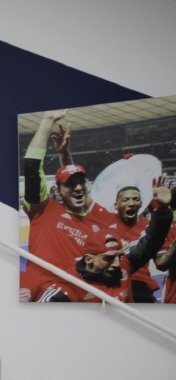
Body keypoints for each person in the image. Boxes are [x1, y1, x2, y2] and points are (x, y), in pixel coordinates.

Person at [20, 111, 114, 301]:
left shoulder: (98, 218)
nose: (78, 187)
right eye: (71, 184)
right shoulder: (43, 209)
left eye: (82, 182)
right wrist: (47, 122)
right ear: (58, 190)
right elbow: (31, 168)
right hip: (32, 289)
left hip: (73, 294)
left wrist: (64, 153)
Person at [33, 179, 172, 302]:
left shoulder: (125, 264)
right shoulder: (68, 286)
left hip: (141, 293)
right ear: (88, 259)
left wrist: (164, 209)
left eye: (119, 256)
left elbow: (153, 240)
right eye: (109, 258)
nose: (117, 263)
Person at [109, 186, 160, 303]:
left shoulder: (149, 226)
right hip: (114, 284)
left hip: (141, 286)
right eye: (125, 200)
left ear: (141, 203)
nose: (131, 203)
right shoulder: (106, 221)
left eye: (136, 199)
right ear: (116, 205)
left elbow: (160, 263)